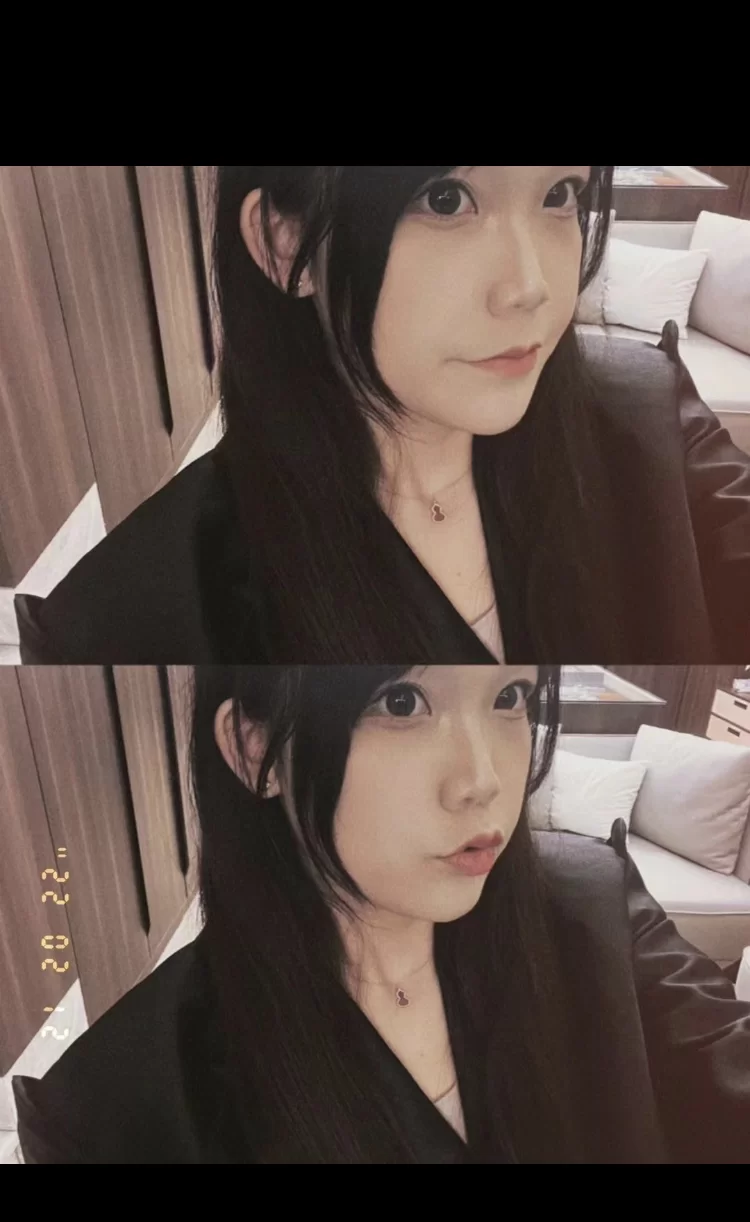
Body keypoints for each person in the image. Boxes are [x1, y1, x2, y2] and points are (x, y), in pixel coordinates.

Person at [13, 665, 750, 1164]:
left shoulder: (597, 905)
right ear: (254, 746)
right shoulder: (121, 1103)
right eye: (401, 702)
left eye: (510, 696)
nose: (484, 781)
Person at [14, 167, 750, 666]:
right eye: (446, 199)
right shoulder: (134, 613)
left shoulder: (653, 421)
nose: (531, 287)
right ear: (285, 242)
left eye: (560, 193)